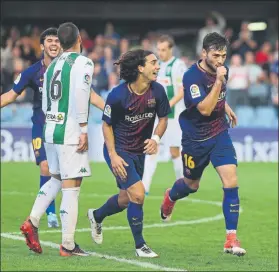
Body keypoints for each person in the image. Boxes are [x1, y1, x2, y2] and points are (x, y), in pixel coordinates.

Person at [160, 32, 246, 257]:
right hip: (195, 140)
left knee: (231, 180)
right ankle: (171, 196)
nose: (220, 60)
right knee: (191, 185)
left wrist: (225, 107)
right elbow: (205, 109)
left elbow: (217, 98)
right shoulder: (192, 77)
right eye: (216, 55)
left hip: (219, 133)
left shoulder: (220, 71)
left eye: (224, 55)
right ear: (204, 53)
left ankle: (231, 238)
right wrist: (219, 81)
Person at [20, 22, 100, 257]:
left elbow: (45, 101)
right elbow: (81, 94)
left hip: (51, 129)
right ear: (78, 40)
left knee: (55, 177)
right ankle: (67, 244)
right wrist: (84, 129)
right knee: (72, 187)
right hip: (71, 132)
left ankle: (32, 220)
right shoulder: (83, 62)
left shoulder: (53, 64)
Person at [87, 49, 171, 257]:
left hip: (139, 152)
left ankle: (97, 216)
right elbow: (106, 126)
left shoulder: (158, 91)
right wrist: (113, 155)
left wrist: (156, 139)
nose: (158, 66)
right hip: (118, 150)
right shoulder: (118, 95)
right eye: (153, 62)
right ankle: (140, 246)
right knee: (139, 194)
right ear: (140, 68)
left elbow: (163, 119)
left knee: (126, 198)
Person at [1, 27, 61, 228]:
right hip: (41, 127)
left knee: (61, 173)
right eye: (50, 40)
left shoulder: (68, 70)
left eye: (57, 41)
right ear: (42, 45)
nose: (54, 44)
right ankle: (50, 213)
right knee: (45, 166)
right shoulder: (32, 71)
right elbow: (11, 95)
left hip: (61, 127)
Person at [142, 35, 187, 195]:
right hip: (157, 116)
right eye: (158, 50)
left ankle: (182, 183)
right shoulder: (156, 66)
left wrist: (167, 106)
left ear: (170, 49)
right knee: (152, 148)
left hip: (173, 117)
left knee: (175, 151)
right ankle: (145, 186)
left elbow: (182, 91)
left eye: (163, 50)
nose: (160, 53)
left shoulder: (178, 66)